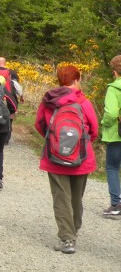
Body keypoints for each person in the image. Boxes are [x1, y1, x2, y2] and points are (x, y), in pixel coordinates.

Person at [34, 64, 98, 254]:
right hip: (82, 157)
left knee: (61, 198)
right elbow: (93, 131)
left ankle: (67, 239)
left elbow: (40, 125)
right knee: (76, 198)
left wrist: (55, 142)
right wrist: (81, 144)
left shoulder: (49, 101)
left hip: (55, 157)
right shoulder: (84, 102)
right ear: (77, 80)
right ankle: (74, 232)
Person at [100, 54, 121, 218]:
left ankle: (116, 203)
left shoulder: (114, 88)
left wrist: (104, 123)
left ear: (115, 71)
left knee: (112, 167)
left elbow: (111, 113)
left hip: (116, 134)